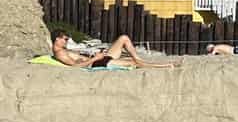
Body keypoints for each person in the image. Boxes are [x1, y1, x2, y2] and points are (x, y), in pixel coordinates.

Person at [50, 32, 178, 70]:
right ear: (57, 39)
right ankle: (166, 66)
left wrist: (96, 54)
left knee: (123, 38)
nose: (67, 41)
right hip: (97, 63)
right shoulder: (60, 53)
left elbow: (79, 57)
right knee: (133, 63)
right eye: (65, 39)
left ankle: (138, 58)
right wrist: (95, 58)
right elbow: (75, 66)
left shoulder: (64, 50)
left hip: (99, 58)